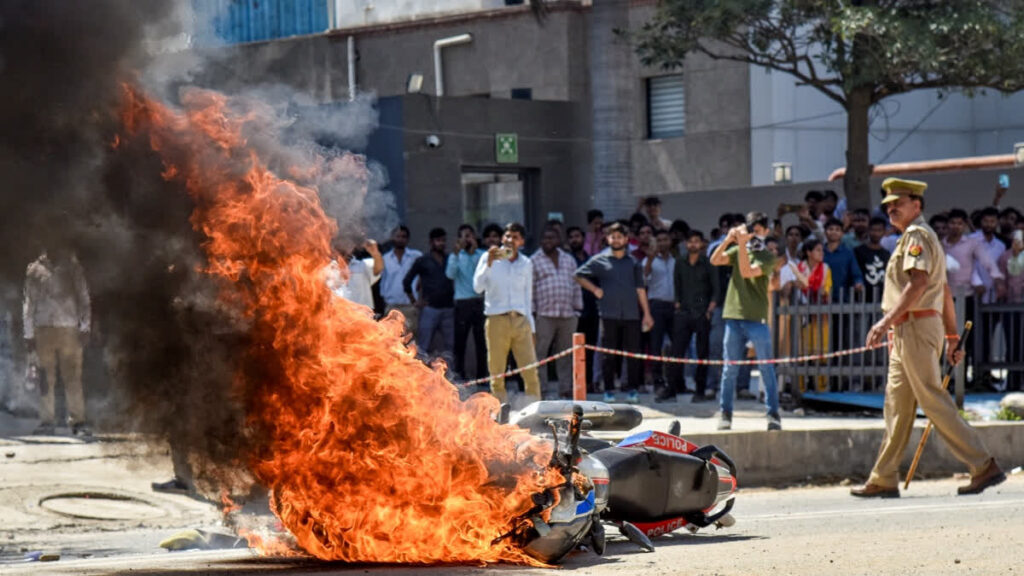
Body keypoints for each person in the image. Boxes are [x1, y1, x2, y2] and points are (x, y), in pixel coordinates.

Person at [851, 178, 1005, 498]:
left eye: (899, 203)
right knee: (897, 405)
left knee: (932, 399)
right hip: (909, 329)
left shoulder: (917, 235)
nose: (891, 209)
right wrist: (951, 336)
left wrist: (885, 321)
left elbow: (919, 283)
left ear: (917, 205)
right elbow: (944, 289)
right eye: (888, 205)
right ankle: (883, 477)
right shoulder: (913, 237)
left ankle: (983, 464)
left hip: (915, 327)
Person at [710, 212, 781, 431]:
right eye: (751, 230)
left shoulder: (767, 257)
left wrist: (741, 243)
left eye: (758, 231)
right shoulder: (739, 248)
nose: (754, 235)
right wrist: (728, 240)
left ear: (766, 232)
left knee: (766, 368)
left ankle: (773, 414)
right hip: (733, 316)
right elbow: (714, 260)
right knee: (729, 369)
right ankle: (725, 413)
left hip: (756, 319)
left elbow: (746, 271)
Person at [575, 222, 655, 404]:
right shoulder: (599, 260)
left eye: (620, 237)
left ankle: (632, 390)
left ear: (626, 239)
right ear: (607, 239)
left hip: (631, 314)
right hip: (608, 314)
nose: (616, 240)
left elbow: (640, 289)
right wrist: (595, 289)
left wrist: (647, 314)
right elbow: (578, 275)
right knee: (608, 354)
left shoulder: (633, 262)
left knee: (633, 354)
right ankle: (609, 390)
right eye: (613, 237)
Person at [23, 245, 91, 436]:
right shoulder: (34, 269)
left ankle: (78, 422)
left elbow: (84, 298)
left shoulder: (73, 268)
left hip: (69, 329)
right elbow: (29, 303)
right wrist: (28, 333)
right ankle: (47, 422)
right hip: (43, 329)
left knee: (73, 378)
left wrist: (85, 327)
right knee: (45, 379)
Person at [473, 222, 540, 404]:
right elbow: (477, 287)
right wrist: (489, 263)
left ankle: (534, 407)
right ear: (503, 238)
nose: (510, 240)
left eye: (515, 237)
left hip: (520, 320)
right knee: (497, 372)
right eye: (508, 236)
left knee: (530, 370)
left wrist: (532, 329)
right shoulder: (488, 257)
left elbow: (527, 298)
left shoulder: (526, 263)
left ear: (522, 242)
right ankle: (500, 409)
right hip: (497, 319)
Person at [659, 230, 718, 403]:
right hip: (683, 312)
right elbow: (677, 284)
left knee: (702, 354)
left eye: (696, 241)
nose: (693, 244)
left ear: (702, 244)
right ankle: (671, 389)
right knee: (676, 352)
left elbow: (715, 289)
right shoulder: (680, 262)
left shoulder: (708, 263)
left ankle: (700, 390)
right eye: (690, 241)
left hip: (702, 312)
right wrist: (678, 303)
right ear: (686, 244)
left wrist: (709, 308)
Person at [532, 226, 583, 398]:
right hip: (544, 314)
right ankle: (541, 389)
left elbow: (576, 284)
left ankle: (565, 388)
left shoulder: (568, 259)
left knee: (566, 354)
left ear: (559, 240)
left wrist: (577, 309)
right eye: (545, 238)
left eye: (552, 238)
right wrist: (533, 312)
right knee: (540, 354)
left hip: (568, 314)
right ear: (540, 241)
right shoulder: (534, 260)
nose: (548, 241)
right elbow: (529, 288)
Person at [404, 228, 455, 358]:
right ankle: (421, 370)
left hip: (449, 309)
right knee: (423, 346)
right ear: (431, 242)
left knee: (451, 346)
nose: (441, 243)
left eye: (443, 240)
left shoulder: (450, 259)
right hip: (430, 309)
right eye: (438, 240)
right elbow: (406, 282)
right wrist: (415, 301)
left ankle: (450, 371)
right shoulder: (423, 260)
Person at [446, 224, 487, 381]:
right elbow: (450, 275)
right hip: (463, 303)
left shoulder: (481, 255)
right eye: (464, 236)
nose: (467, 239)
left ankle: (482, 376)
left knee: (481, 342)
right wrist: (456, 254)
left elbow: (484, 274)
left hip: (479, 301)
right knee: (460, 342)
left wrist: (474, 253)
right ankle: (459, 376)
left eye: (470, 235)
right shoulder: (456, 256)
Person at [791, 237, 832, 393]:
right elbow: (795, 287)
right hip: (802, 316)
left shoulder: (826, 268)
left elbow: (827, 289)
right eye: (818, 250)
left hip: (821, 317)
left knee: (821, 353)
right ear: (808, 252)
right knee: (802, 353)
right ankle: (801, 388)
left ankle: (821, 387)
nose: (821, 253)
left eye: (822, 250)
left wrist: (822, 292)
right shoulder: (799, 268)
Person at [642, 229, 676, 395]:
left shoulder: (675, 261)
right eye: (659, 240)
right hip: (656, 306)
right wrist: (650, 259)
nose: (662, 243)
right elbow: (643, 279)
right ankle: (658, 382)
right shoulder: (649, 260)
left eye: (665, 239)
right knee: (656, 345)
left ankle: (675, 382)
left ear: (670, 241)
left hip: (673, 306)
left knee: (676, 345)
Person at [567, 225, 600, 389]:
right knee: (573, 350)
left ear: (583, 239)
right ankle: (575, 384)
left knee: (590, 348)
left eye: (577, 236)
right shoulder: (566, 260)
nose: (575, 240)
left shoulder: (591, 260)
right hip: (573, 310)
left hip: (591, 309)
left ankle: (589, 382)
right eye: (571, 237)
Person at [380, 225, 422, 338]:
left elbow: (424, 277)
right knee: (391, 340)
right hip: (391, 306)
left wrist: (419, 298)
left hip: (409, 306)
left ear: (408, 239)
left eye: (403, 237)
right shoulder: (385, 258)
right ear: (392, 238)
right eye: (398, 236)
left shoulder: (416, 256)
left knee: (410, 340)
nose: (400, 239)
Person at [325, 239, 383, 310]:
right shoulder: (326, 270)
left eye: (347, 245)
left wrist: (375, 253)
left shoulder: (363, 266)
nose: (343, 248)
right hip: (336, 313)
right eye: (339, 245)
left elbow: (378, 269)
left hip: (361, 314)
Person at [823, 218, 863, 301]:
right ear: (825, 232)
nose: (834, 232)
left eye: (837, 230)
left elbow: (856, 273)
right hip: (821, 298)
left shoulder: (848, 253)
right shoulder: (819, 252)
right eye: (830, 229)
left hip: (843, 298)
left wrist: (858, 283)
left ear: (842, 233)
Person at [855, 217, 891, 302]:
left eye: (879, 230)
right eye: (873, 230)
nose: (876, 233)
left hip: (881, 297)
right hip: (862, 297)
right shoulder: (858, 251)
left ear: (884, 232)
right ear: (868, 231)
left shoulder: (886, 254)